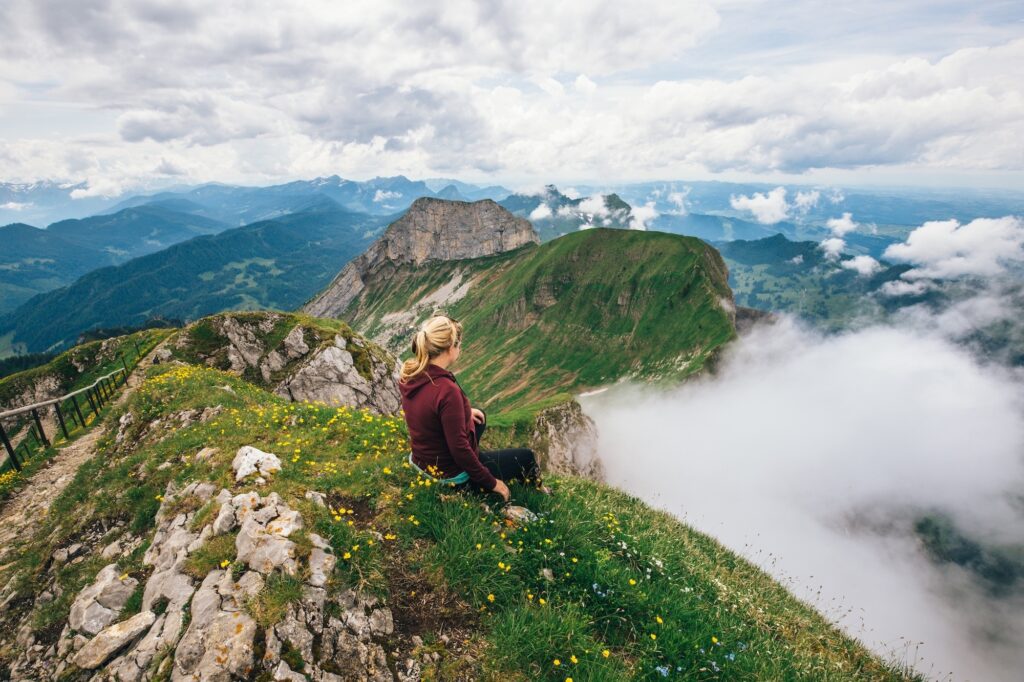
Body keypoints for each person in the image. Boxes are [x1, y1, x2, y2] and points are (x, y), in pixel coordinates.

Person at [398, 314, 546, 502]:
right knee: (527, 457)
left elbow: (430, 411)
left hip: (422, 462)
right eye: (458, 344)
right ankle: (536, 493)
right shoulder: (446, 390)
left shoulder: (413, 374)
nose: (460, 348)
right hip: (450, 475)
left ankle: (481, 459)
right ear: (449, 348)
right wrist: (492, 482)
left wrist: (466, 413)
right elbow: (459, 449)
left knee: (479, 418)